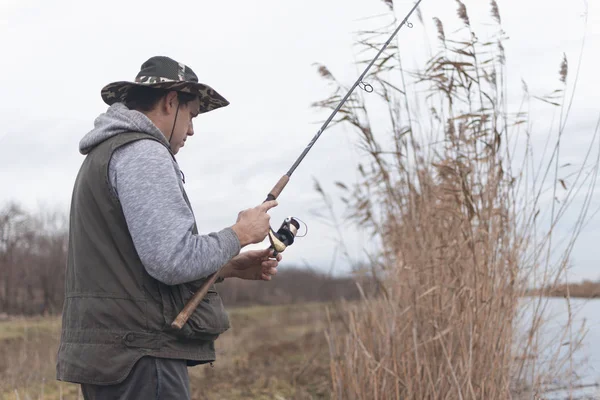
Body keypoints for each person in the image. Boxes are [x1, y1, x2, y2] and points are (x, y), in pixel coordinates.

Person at [56, 56, 281, 399]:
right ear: (171, 101)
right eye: (191, 115)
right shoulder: (143, 152)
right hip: (142, 356)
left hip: (115, 357)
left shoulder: (106, 153)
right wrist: (239, 234)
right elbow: (171, 260)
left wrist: (228, 267)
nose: (191, 129)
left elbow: (134, 264)